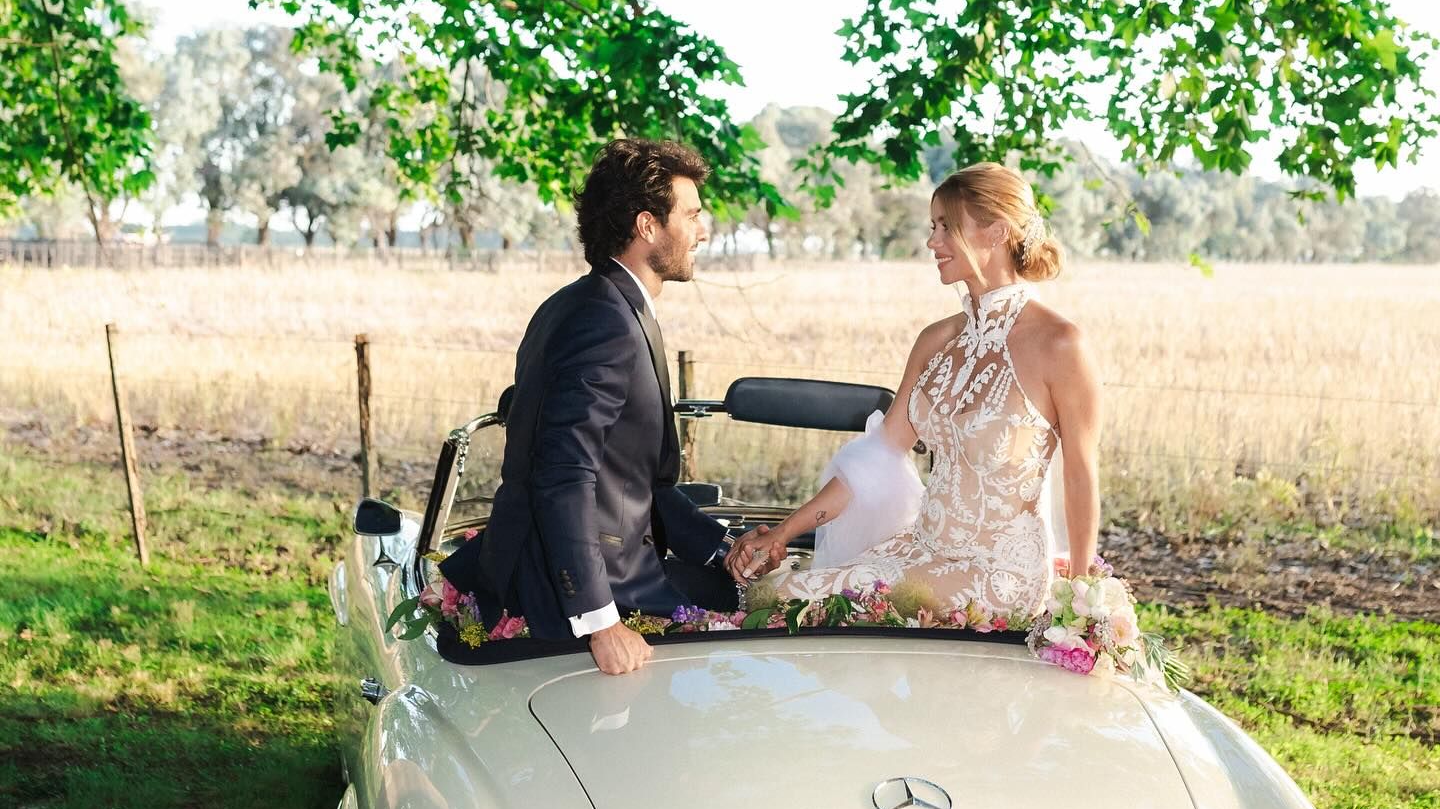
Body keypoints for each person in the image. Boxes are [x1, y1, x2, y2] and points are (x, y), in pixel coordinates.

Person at [727, 163, 1102, 622]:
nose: (932, 242)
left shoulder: (1060, 345)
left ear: (996, 233)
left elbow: (1081, 476)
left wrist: (1081, 603)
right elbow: (874, 462)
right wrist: (782, 534)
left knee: (816, 608)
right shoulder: (936, 341)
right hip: (919, 550)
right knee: (777, 591)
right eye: (932, 227)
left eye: (947, 227)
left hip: (995, 576)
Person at [439, 138, 737, 674]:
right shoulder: (605, 321)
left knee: (740, 593)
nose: (703, 230)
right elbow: (563, 474)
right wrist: (601, 622)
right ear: (648, 226)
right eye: (690, 216)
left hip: (616, 560)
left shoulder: (587, 303)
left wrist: (724, 548)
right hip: (571, 591)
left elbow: (630, 479)